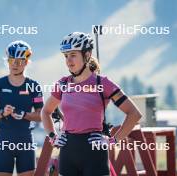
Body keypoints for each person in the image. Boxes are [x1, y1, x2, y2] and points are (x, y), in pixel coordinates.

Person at [41, 32, 142, 176]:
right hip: (68, 150)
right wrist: (53, 136)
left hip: (94, 152)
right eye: (66, 56)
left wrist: (113, 141)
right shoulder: (63, 83)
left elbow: (134, 114)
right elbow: (45, 112)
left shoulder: (102, 83)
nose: (68, 60)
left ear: (87, 55)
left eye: (73, 55)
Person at [0, 40, 43, 176]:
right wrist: (2, 112)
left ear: (26, 62)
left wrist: (24, 115)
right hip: (4, 139)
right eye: (12, 60)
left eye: (20, 61)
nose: (15, 64)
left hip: (25, 139)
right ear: (7, 61)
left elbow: (41, 115)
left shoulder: (34, 86)